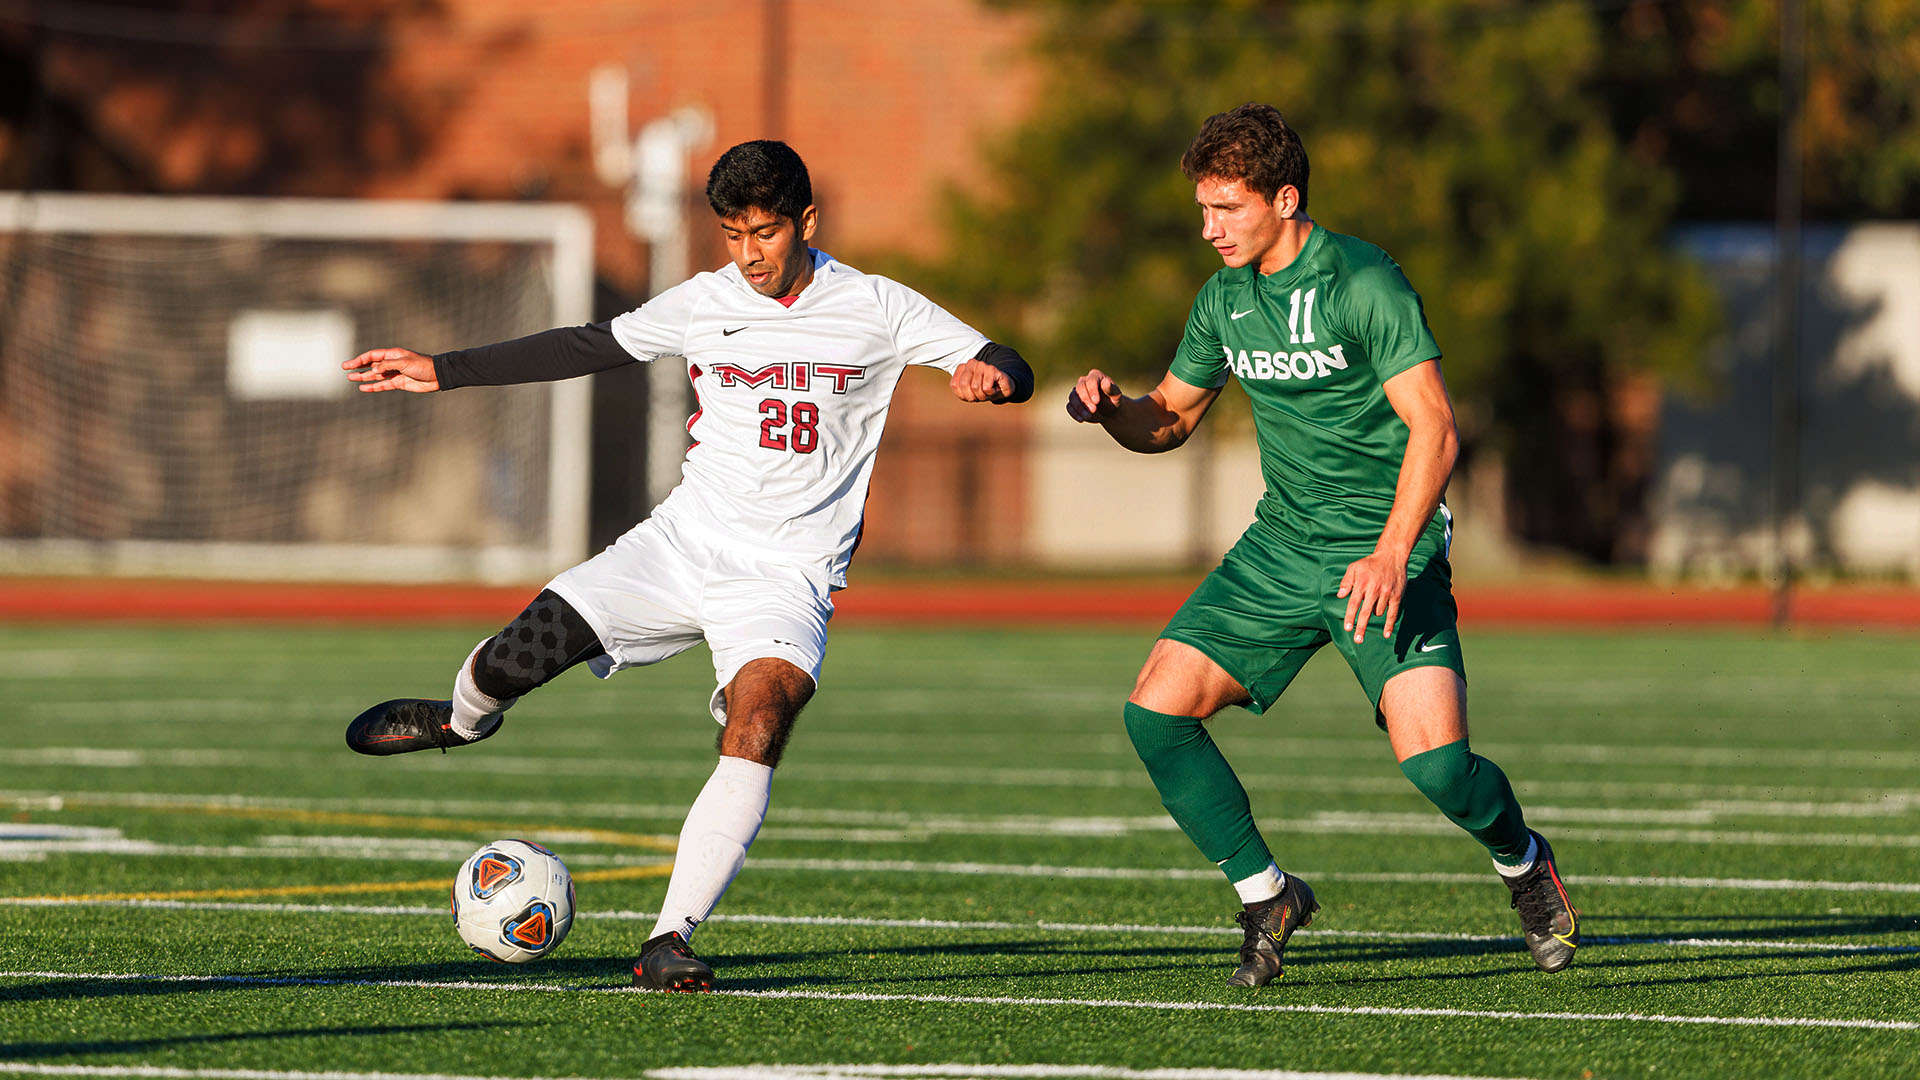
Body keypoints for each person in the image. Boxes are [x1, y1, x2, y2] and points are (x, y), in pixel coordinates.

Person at [340, 139, 1033, 992]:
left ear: (807, 222)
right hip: (681, 543)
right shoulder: (707, 300)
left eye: (767, 233)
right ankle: (461, 722)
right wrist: (443, 371)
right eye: (733, 234)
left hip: (786, 574)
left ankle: (669, 937)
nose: (749, 254)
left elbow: (1007, 360)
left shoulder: (878, 305)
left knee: (761, 718)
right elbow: (586, 346)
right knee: (509, 658)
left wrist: (989, 376)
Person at [1065, 104, 1576, 987]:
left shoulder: (1363, 281)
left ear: (1285, 198)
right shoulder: (1224, 299)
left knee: (1442, 769)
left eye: (1226, 208)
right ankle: (1267, 893)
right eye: (1202, 208)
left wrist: (1389, 551)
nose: (1208, 227)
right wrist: (1118, 414)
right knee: (1154, 713)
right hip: (1281, 548)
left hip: (1389, 552)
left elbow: (1436, 430)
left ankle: (1524, 862)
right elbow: (1171, 422)